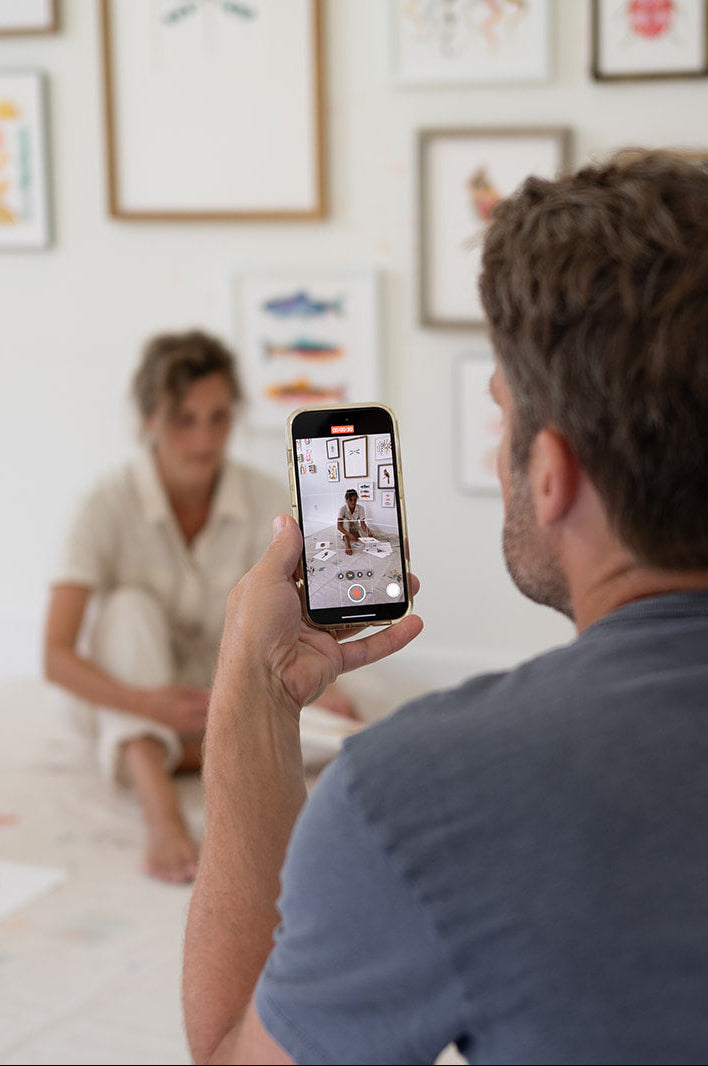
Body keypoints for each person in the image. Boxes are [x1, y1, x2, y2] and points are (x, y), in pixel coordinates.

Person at [182, 150, 708, 1064]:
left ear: (551, 473)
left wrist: (249, 689)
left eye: (503, 417)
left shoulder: (420, 797)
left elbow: (233, 1052)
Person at [43, 329, 356, 885]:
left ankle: (197, 745)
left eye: (218, 417)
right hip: (131, 699)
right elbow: (55, 656)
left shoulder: (263, 498)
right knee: (128, 609)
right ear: (149, 421)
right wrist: (145, 702)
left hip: (217, 694)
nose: (205, 437)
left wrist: (329, 686)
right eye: (184, 419)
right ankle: (161, 803)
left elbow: (296, 619)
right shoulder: (104, 504)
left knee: (351, 734)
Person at [336, 488, 373, 554]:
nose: (353, 502)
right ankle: (348, 544)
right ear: (346, 500)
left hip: (354, 527)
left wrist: (368, 533)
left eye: (355, 500)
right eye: (350, 500)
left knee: (367, 535)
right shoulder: (342, 509)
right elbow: (339, 526)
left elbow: (362, 524)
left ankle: (352, 535)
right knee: (345, 521)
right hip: (345, 528)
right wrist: (350, 535)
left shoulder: (360, 508)